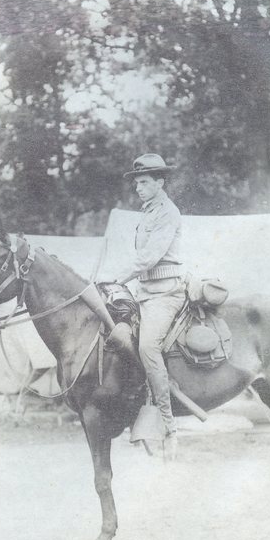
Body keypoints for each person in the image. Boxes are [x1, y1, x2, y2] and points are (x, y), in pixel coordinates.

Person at [113, 153, 185, 442]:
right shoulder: (147, 212)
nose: (138, 188)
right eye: (137, 183)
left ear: (160, 182)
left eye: (144, 182)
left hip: (165, 294)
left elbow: (150, 256)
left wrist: (117, 277)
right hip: (144, 293)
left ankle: (168, 423)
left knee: (147, 348)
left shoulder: (168, 212)